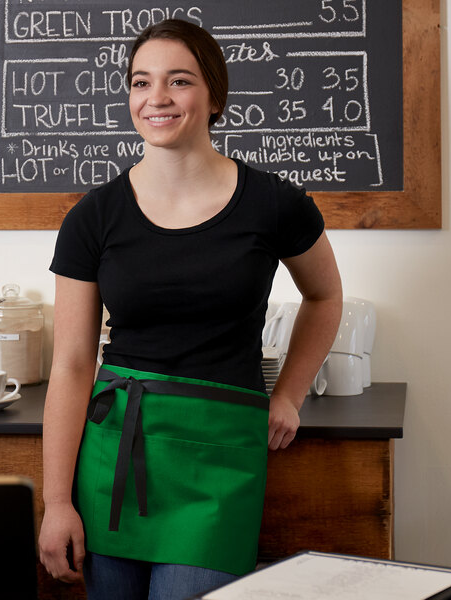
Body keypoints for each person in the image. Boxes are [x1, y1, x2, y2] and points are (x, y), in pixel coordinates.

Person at [39, 18, 342, 600]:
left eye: (178, 81)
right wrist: (56, 502)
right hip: (116, 455)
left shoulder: (276, 204)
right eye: (140, 82)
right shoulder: (92, 217)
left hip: (220, 459)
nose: (156, 98)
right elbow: (73, 364)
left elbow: (326, 297)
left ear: (214, 94)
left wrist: (290, 394)